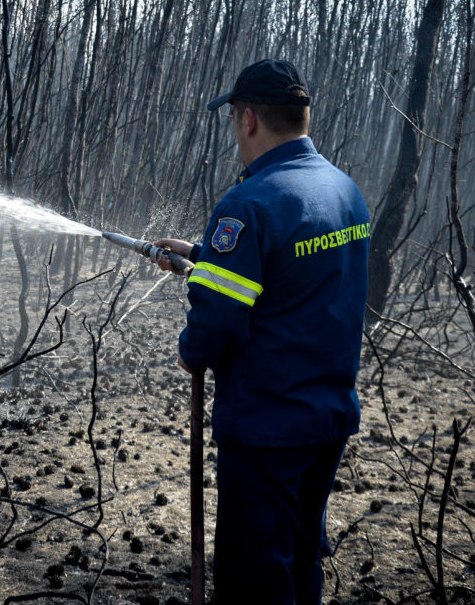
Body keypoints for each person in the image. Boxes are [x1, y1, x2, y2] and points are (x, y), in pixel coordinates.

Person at [154, 59, 370, 605]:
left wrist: (192, 351)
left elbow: (218, 322)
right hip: (326, 419)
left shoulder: (248, 204)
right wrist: (205, 259)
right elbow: (291, 275)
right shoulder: (343, 191)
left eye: (233, 120)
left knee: (255, 572)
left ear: (248, 119)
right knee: (299, 557)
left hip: (267, 428)